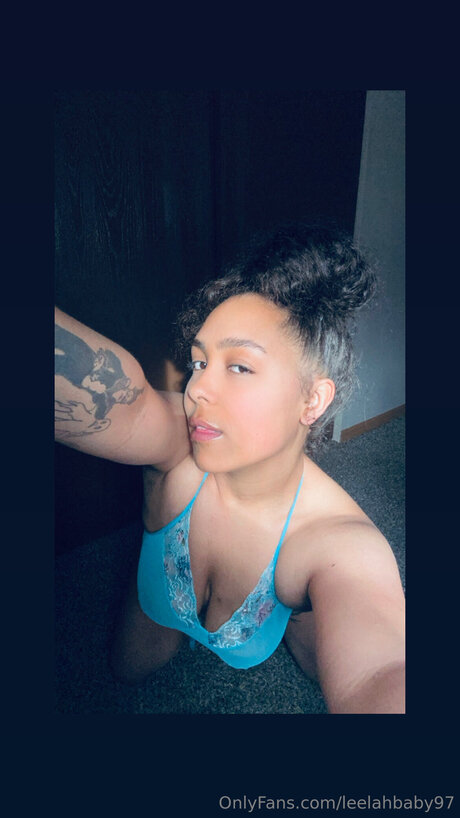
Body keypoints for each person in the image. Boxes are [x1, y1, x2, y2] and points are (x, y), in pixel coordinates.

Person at [54, 223, 405, 713]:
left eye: (239, 366)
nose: (196, 390)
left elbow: (379, 673)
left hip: (281, 599)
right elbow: (121, 405)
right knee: (126, 669)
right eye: (199, 363)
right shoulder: (179, 444)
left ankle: (293, 613)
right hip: (163, 585)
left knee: (316, 661)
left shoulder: (340, 543)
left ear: (313, 400)